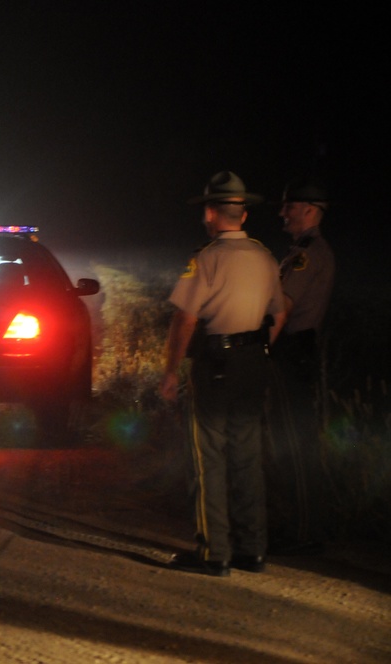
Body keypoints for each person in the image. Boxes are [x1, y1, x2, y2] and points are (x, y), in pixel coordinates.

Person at [159, 171, 287, 577]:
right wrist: (259, 349)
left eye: (207, 212)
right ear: (243, 216)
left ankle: (214, 553)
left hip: (215, 365)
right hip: (254, 363)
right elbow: (280, 313)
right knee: (248, 456)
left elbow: (185, 320)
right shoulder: (265, 257)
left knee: (207, 457)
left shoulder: (207, 259)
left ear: (213, 213)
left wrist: (170, 370)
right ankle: (253, 550)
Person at [264, 177, 336, 555]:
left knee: (293, 442)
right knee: (289, 440)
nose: (282, 213)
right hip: (294, 352)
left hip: (291, 352)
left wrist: (260, 354)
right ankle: (299, 527)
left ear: (309, 210)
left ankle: (305, 532)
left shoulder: (307, 253)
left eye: (289, 206)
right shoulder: (307, 250)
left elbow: (283, 308)